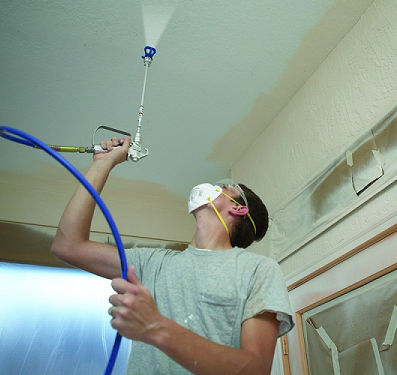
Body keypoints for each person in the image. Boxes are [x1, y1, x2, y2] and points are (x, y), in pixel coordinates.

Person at [51, 136, 294, 374]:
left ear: (238, 208)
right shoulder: (153, 264)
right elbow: (68, 245)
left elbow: (255, 369)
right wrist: (102, 164)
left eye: (223, 188)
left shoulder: (258, 270)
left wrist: (155, 326)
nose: (213, 187)